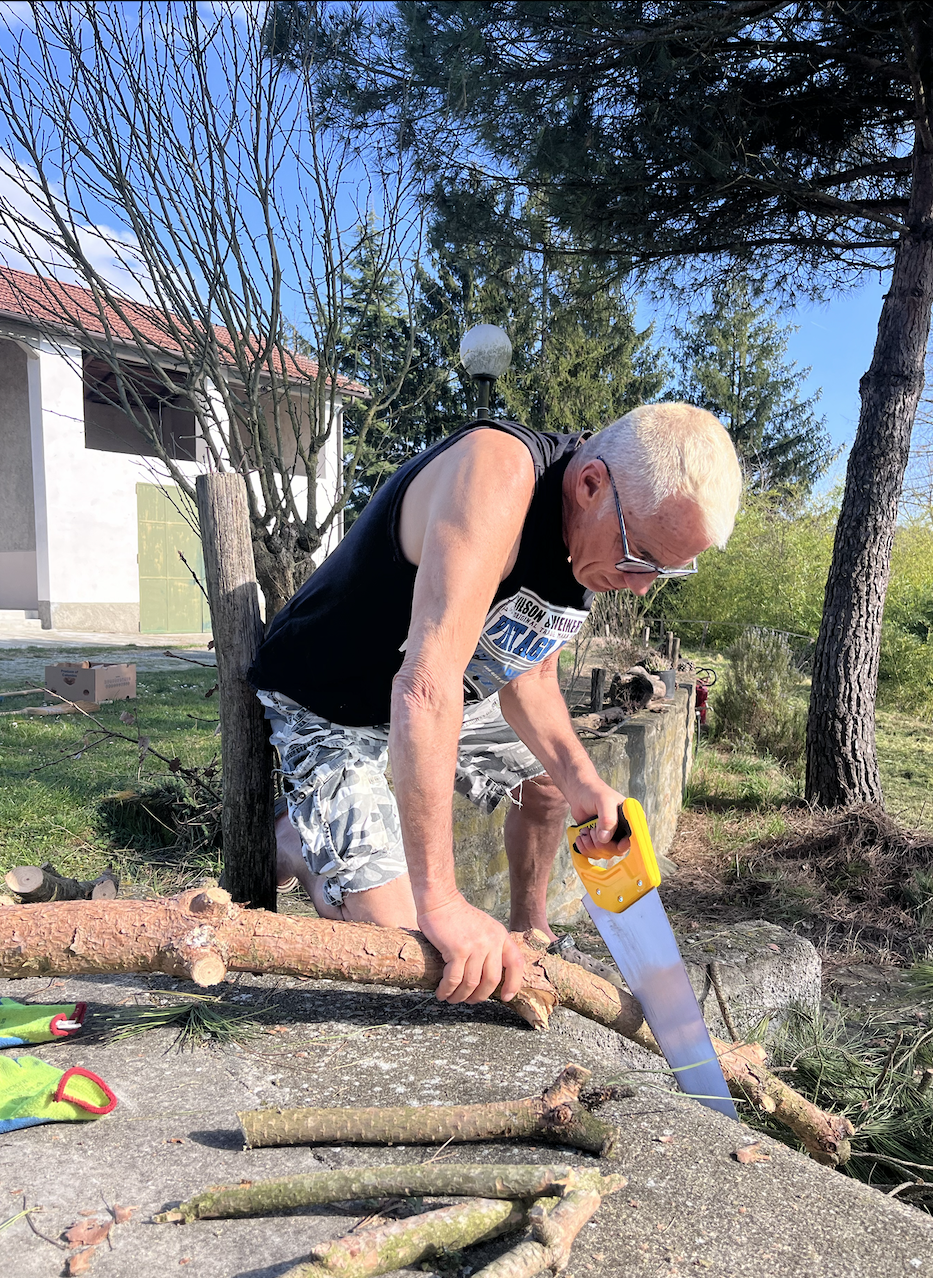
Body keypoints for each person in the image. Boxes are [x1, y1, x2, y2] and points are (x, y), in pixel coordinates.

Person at [249, 403, 741, 1007]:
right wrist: (444, 902)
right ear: (591, 485)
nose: (641, 584)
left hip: (430, 695)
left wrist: (586, 782)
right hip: (327, 696)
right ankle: (293, 840)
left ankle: (529, 929)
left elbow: (528, 673)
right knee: (401, 945)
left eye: (664, 571)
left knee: (553, 787)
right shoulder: (497, 474)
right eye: (640, 557)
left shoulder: (594, 535)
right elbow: (425, 688)